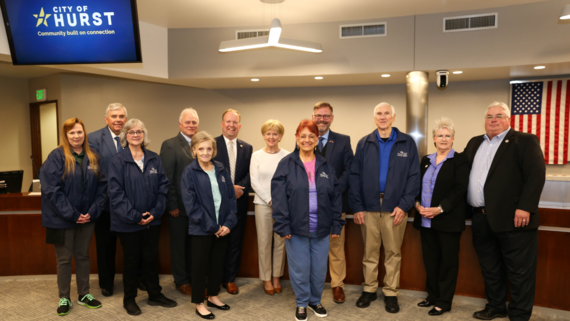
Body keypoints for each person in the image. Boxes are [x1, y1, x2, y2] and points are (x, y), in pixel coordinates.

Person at [465, 102, 545, 321]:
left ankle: (519, 315)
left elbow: (536, 176)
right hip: (480, 218)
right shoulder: (474, 143)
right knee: (490, 268)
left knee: (520, 271)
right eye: (489, 116)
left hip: (514, 219)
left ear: (509, 119)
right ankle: (496, 306)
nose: (493, 120)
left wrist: (525, 207)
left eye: (499, 115)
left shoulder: (524, 141)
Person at [349, 102, 420, 313]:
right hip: (368, 207)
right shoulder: (364, 143)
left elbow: (414, 177)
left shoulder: (407, 143)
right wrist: (357, 206)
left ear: (393, 117)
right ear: (374, 118)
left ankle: (391, 293)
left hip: (395, 208)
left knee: (393, 252)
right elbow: (355, 176)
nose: (382, 117)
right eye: (379, 114)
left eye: (386, 113)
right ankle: (369, 290)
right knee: (369, 251)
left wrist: (404, 205)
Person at [272, 119, 345, 321]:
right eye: (302, 136)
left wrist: (337, 223)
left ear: (316, 140)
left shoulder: (325, 165)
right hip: (295, 228)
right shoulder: (286, 164)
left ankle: (315, 300)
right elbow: (278, 199)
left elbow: (336, 196)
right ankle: (302, 302)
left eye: (311, 136)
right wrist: (282, 224)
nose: (306, 140)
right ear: (296, 139)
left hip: (321, 228)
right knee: (300, 268)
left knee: (320, 269)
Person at [108, 119, 177, 315]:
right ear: (125, 136)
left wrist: (154, 213)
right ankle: (129, 299)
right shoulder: (118, 161)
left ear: (144, 135)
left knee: (150, 258)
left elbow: (163, 187)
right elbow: (115, 193)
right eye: (131, 132)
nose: (136, 135)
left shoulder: (154, 158)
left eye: (139, 132)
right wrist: (135, 216)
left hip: (152, 221)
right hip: (128, 222)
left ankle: (155, 294)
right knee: (131, 260)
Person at [41, 118, 107, 316]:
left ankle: (84, 294)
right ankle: (64, 297)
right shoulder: (56, 156)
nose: (76, 136)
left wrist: (92, 211)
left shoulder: (93, 156)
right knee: (64, 259)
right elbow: (51, 190)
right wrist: (72, 214)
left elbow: (103, 187)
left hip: (87, 217)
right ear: (66, 135)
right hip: (62, 219)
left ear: (84, 133)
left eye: (79, 132)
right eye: (72, 133)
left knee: (83, 256)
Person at [412, 117, 469, 316]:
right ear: (434, 138)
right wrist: (417, 205)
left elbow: (459, 189)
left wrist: (440, 209)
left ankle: (444, 301)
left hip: (448, 220)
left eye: (448, 136)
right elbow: (418, 186)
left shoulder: (460, 160)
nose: (443, 139)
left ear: (453, 139)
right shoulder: (425, 160)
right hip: (425, 219)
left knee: (448, 262)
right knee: (431, 260)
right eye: (440, 135)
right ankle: (433, 295)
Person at [181, 131, 238, 320]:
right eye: (201, 149)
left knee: (217, 264)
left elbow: (231, 198)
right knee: (199, 266)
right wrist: (213, 227)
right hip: (202, 229)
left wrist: (228, 224)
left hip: (223, 228)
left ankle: (213, 296)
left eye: (209, 148)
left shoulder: (221, 168)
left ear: (213, 150)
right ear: (194, 150)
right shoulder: (190, 171)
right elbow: (192, 206)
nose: (205, 152)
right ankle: (199, 302)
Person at [311, 102, 353, 303]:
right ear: (313, 117)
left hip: (336, 204)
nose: (321, 119)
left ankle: (337, 285)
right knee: (311, 246)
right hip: (310, 205)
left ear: (332, 118)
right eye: (318, 115)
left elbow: (348, 170)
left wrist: (334, 191)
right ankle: (312, 286)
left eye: (325, 116)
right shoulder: (305, 139)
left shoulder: (343, 141)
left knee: (336, 247)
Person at [160, 108, 200, 296]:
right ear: (180, 124)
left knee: (194, 246)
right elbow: (167, 178)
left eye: (194, 122)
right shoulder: (170, 145)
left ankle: (193, 277)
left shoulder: (202, 144)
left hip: (198, 208)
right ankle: (181, 281)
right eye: (187, 122)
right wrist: (172, 205)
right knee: (179, 246)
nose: (191, 125)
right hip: (180, 208)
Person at [88, 103, 127, 297]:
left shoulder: (132, 136)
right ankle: (106, 283)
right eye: (114, 116)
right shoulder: (94, 138)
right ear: (106, 119)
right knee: (105, 247)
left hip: (130, 203)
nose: (118, 120)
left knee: (132, 246)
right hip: (105, 203)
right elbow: (95, 170)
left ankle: (135, 280)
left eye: (121, 116)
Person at [213, 109, 253, 295]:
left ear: (240, 126)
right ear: (222, 124)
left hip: (239, 204)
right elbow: (210, 173)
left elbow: (249, 175)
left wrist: (240, 188)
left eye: (235, 122)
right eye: (228, 122)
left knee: (235, 242)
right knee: (217, 242)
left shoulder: (248, 148)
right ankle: (214, 278)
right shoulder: (211, 145)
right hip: (217, 205)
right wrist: (230, 189)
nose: (231, 125)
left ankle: (230, 279)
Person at [250, 119, 289, 295]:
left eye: (275, 133)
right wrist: (270, 200)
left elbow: (289, 182)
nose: (271, 136)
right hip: (262, 205)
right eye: (268, 133)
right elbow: (254, 182)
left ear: (280, 136)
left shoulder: (287, 156)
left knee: (280, 242)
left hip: (283, 206)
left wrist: (279, 202)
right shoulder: (256, 155)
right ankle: (266, 278)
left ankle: (276, 277)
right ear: (264, 135)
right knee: (264, 243)